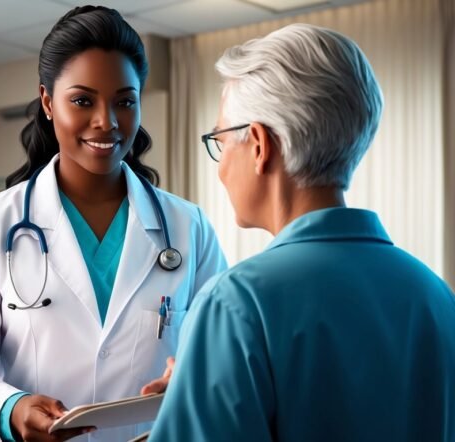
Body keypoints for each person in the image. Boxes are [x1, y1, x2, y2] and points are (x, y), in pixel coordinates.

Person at [0, 6, 227, 442]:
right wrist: (10, 409)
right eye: (83, 100)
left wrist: (193, 374)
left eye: (124, 101)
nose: (106, 121)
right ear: (48, 102)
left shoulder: (188, 226)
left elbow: (223, 350)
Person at [143, 23, 455, 441]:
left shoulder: (235, 304)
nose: (219, 166)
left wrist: (192, 395)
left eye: (220, 140)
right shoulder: (435, 296)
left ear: (258, 144)